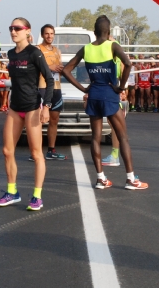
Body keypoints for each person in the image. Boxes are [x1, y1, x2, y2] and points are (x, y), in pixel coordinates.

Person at [63, 15, 148, 190]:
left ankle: (101, 178)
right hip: (110, 94)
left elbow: (66, 70)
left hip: (94, 93)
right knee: (123, 137)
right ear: (108, 32)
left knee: (95, 138)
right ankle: (130, 179)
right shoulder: (112, 45)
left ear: (94, 32)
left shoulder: (86, 49)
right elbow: (128, 64)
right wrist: (121, 87)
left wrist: (84, 89)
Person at [0, 17, 53, 211]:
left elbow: (49, 79)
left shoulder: (35, 53)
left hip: (32, 108)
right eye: (11, 28)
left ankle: (37, 196)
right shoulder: (11, 54)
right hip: (14, 107)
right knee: (7, 151)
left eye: (17, 28)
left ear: (27, 31)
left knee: (36, 154)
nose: (13, 31)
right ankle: (12, 192)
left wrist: (47, 106)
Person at [37, 24, 68, 160]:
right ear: (43, 35)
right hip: (42, 87)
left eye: (51, 34)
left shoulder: (57, 51)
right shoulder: (37, 49)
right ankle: (36, 152)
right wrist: (50, 67)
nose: (49, 36)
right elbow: (34, 67)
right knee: (39, 120)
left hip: (56, 87)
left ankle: (51, 150)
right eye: (47, 34)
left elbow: (59, 68)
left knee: (54, 120)